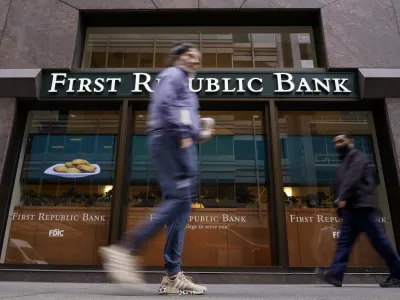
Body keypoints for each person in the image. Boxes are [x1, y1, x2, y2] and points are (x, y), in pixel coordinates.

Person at [98, 42, 213, 295]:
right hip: (172, 140)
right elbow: (166, 105)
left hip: (176, 140)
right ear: (177, 57)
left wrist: (199, 132)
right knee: (181, 198)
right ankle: (126, 249)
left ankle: (172, 275)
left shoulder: (183, 82)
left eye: (198, 57)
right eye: (190, 56)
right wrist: (185, 134)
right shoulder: (173, 75)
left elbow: (181, 114)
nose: (195, 61)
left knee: (181, 203)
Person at [316, 132, 400, 288]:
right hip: (350, 210)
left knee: (380, 242)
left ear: (350, 141)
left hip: (362, 208)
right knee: (343, 243)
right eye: (335, 142)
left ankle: (398, 274)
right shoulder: (344, 162)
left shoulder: (357, 157)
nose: (338, 145)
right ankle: (335, 274)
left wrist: (342, 197)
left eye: (341, 141)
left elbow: (352, 178)